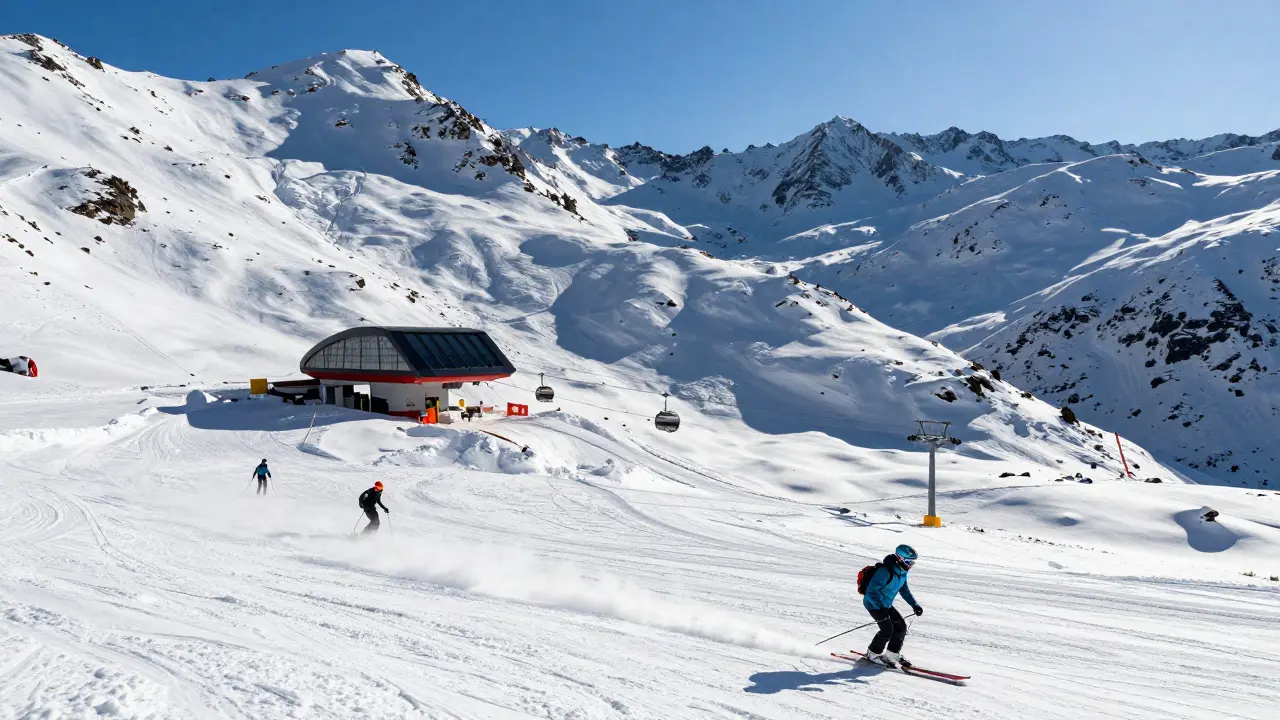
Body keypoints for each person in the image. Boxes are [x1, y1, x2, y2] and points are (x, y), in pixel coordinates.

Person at [863, 544, 923, 669]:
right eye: (908, 561)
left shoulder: (902, 571)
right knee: (887, 630)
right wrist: (880, 608)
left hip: (886, 605)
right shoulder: (885, 571)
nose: (910, 565)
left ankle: (892, 654)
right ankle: (872, 653)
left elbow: (904, 590)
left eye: (912, 562)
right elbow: (871, 592)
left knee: (900, 627)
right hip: (873, 604)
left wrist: (915, 605)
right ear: (899, 558)